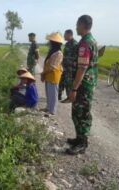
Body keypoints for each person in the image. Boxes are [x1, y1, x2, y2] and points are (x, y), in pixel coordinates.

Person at [66, 15, 98, 155]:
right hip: (87, 84)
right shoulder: (91, 41)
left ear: (82, 25)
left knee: (81, 114)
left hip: (83, 85)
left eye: (77, 24)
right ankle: (79, 139)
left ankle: (82, 143)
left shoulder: (85, 43)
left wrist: (74, 88)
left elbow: (82, 68)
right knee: (78, 113)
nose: (75, 27)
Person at [41, 32, 63, 116]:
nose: (49, 43)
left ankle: (52, 111)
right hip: (48, 75)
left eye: (50, 41)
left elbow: (52, 67)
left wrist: (43, 73)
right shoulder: (52, 51)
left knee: (53, 94)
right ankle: (48, 108)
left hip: (53, 76)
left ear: (54, 43)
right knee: (48, 93)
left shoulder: (58, 53)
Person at [59, 30, 78, 102]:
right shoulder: (67, 44)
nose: (64, 36)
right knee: (62, 81)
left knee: (69, 83)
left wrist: (67, 60)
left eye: (65, 35)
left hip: (71, 68)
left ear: (70, 34)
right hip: (65, 67)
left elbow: (76, 58)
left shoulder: (75, 44)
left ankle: (69, 97)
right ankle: (59, 95)